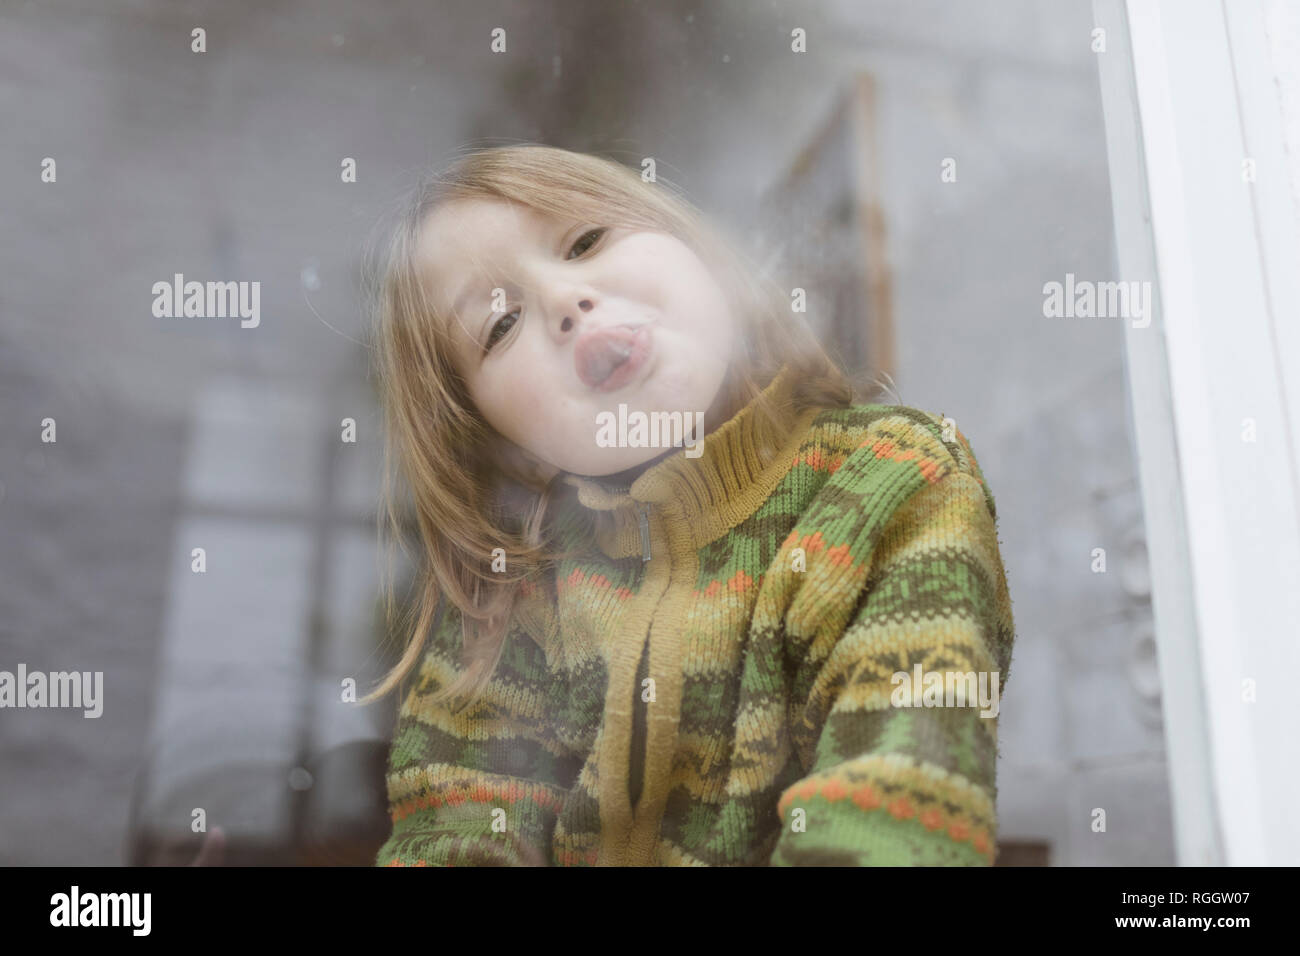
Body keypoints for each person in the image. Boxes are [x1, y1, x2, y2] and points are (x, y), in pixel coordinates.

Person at [361, 144, 1015, 866]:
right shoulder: (511, 601)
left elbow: (894, 815)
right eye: (500, 323)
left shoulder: (894, 481)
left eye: (585, 241)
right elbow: (447, 837)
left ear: (695, 249)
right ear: (504, 445)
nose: (562, 301)